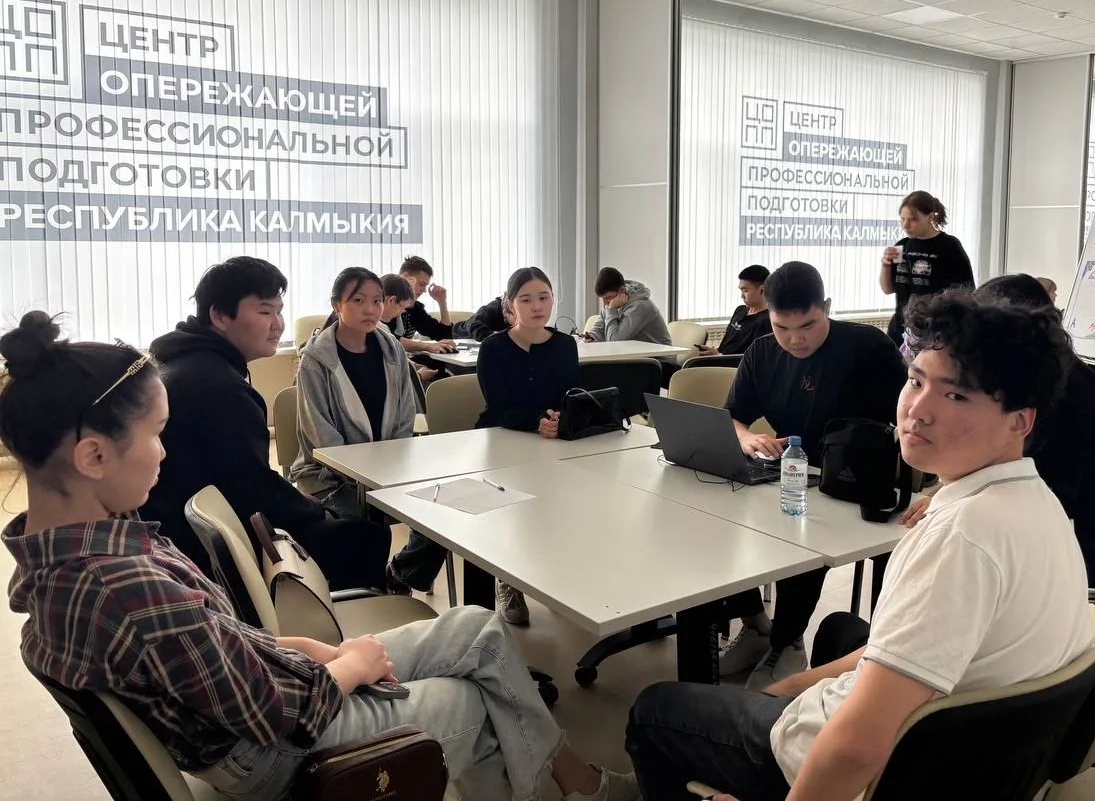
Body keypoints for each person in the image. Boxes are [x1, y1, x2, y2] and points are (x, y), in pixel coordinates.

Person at [0, 312, 639, 801]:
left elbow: (207, 648)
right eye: (156, 434)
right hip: (275, 748)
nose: (165, 451)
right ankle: (572, 784)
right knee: (471, 700)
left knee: (477, 628)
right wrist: (351, 666)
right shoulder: (126, 588)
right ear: (94, 456)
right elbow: (277, 713)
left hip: (262, 701)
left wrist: (301, 651)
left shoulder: (71, 558)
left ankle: (569, 780)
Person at [626, 292, 1094, 801]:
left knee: (655, 709)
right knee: (838, 630)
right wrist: (793, 686)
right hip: (975, 747)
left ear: (1020, 421)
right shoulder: (1034, 499)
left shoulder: (961, 537)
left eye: (956, 396)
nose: (918, 411)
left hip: (869, 764)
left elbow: (856, 749)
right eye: (916, 381)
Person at [140, 257, 391, 592]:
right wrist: (315, 511)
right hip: (203, 547)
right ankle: (345, 620)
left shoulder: (187, 363)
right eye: (264, 312)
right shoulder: (219, 387)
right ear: (219, 315)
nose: (278, 324)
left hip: (183, 527)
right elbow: (253, 488)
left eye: (279, 311)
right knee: (366, 536)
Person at [719, 262, 906, 690]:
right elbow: (733, 417)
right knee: (713, 518)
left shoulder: (867, 348)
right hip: (787, 472)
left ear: (827, 308)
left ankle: (787, 642)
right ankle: (756, 623)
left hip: (855, 482)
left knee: (802, 537)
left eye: (807, 325)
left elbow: (910, 420)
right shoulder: (762, 351)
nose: (795, 339)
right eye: (782, 328)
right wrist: (747, 438)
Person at [899, 273, 1095, 589]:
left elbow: (1047, 483)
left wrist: (952, 504)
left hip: (1081, 542)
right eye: (915, 382)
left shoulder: (1069, 391)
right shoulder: (1020, 378)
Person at [292, 268, 447, 595]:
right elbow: (322, 437)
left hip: (389, 468)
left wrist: (393, 467)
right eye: (358, 300)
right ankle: (367, 596)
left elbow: (405, 415)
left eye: (376, 301)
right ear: (337, 305)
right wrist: (367, 476)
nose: (370, 309)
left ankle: (400, 576)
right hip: (330, 475)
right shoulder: (315, 360)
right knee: (362, 529)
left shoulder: (391, 349)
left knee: (442, 514)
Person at [475, 267, 581, 627]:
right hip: (501, 438)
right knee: (510, 507)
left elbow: (569, 395)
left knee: (562, 504)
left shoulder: (565, 345)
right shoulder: (493, 348)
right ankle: (508, 578)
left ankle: (550, 573)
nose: (537, 306)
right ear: (510, 305)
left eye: (544, 297)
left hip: (551, 441)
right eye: (526, 299)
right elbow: (499, 406)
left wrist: (559, 421)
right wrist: (537, 422)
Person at [880, 190, 974, 347]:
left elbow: (967, 293)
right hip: (901, 330)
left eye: (912, 220)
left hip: (935, 333)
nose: (905, 225)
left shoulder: (949, 246)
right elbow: (888, 289)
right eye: (902, 219)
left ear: (930, 217)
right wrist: (886, 265)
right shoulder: (901, 246)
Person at [696, 264, 773, 357]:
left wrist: (719, 356)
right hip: (719, 360)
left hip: (731, 365)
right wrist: (714, 351)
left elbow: (755, 358)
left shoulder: (767, 320)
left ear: (762, 290)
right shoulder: (740, 310)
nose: (742, 296)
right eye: (741, 290)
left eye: (745, 291)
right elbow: (727, 347)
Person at [387, 255, 456, 357]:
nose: (424, 291)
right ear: (405, 278)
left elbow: (443, 336)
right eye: (422, 284)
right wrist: (429, 346)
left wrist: (442, 302)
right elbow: (390, 339)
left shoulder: (414, 308)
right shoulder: (387, 304)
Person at [583, 267, 671, 345]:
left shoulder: (639, 306)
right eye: (602, 298)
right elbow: (599, 329)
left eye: (607, 298)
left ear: (621, 290)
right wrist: (591, 337)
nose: (604, 303)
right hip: (634, 355)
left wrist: (612, 310)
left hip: (658, 357)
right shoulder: (611, 303)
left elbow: (614, 342)